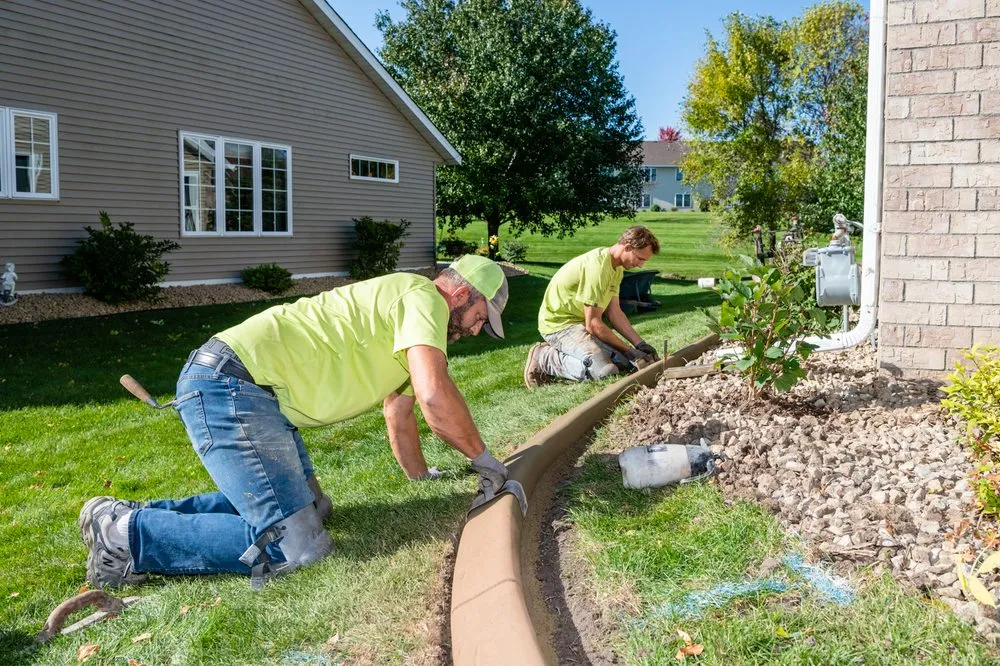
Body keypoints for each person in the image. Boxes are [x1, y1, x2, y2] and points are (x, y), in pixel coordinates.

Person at [79, 255, 511, 590]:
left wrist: (421, 477)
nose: (476, 331)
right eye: (480, 318)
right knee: (299, 547)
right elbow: (436, 395)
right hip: (233, 387)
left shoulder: (410, 311)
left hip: (256, 397)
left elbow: (400, 409)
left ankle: (127, 514)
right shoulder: (422, 298)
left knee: (315, 510)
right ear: (461, 294)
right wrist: (486, 461)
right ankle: (126, 536)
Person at [523, 226, 660, 388]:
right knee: (605, 371)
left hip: (578, 324)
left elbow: (615, 312)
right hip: (559, 326)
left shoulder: (616, 269)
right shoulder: (598, 268)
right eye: (640, 259)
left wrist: (640, 344)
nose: (641, 265)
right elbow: (593, 324)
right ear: (628, 247)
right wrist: (629, 350)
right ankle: (544, 358)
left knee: (626, 365)